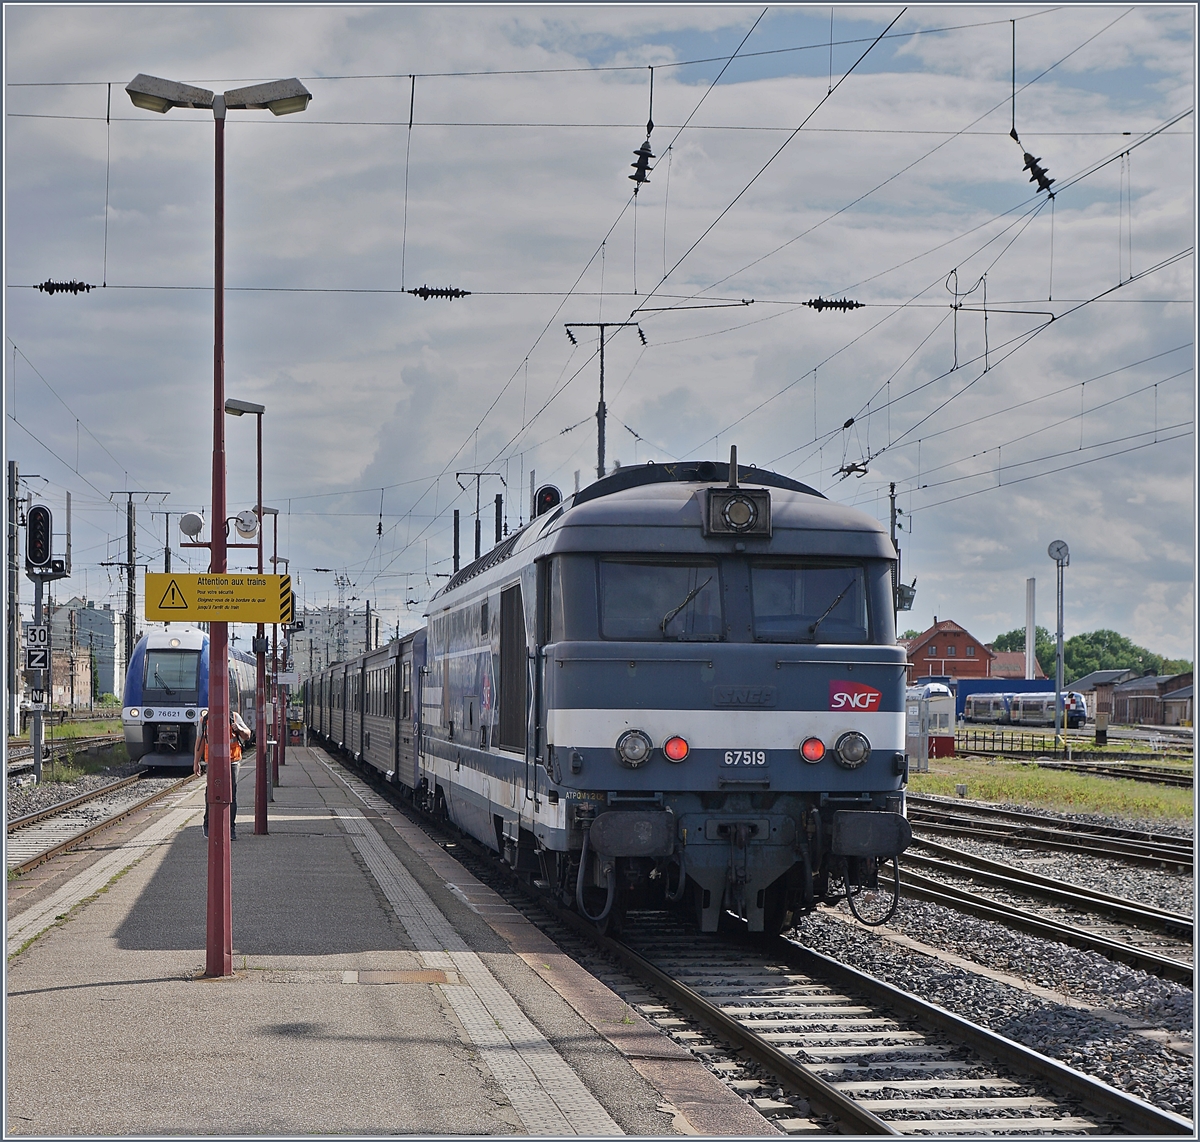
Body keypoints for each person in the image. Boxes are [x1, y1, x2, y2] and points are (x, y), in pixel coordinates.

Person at [194, 707, 251, 840]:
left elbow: (247, 734)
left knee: (231, 794)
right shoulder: (204, 720)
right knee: (211, 792)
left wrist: (239, 729)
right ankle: (208, 823)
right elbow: (200, 741)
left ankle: (230, 827)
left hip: (232, 760)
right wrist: (196, 761)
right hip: (212, 761)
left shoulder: (234, 717)